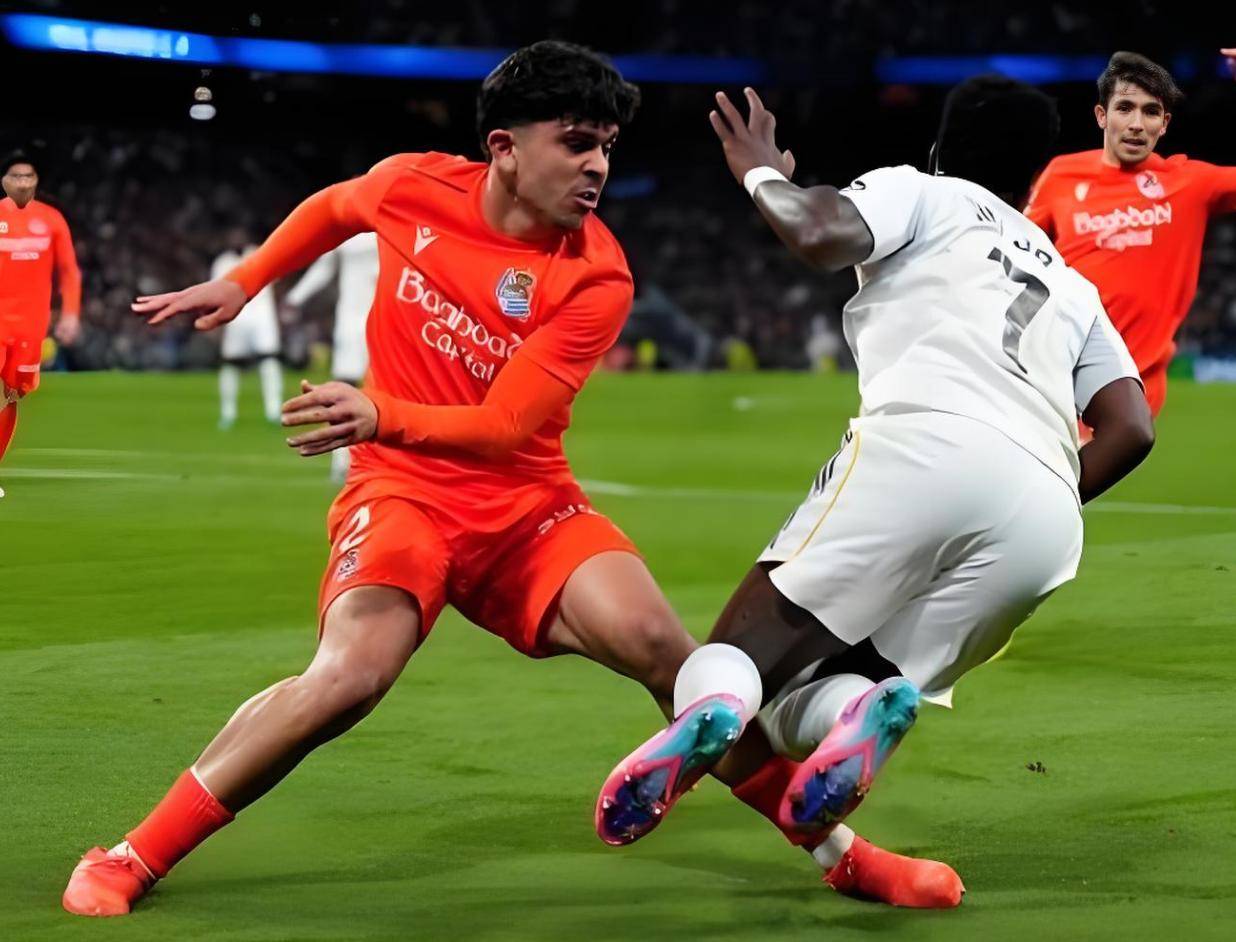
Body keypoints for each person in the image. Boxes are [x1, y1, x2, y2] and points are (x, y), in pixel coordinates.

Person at [60, 40, 770, 918]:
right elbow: (333, 208)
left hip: (527, 504)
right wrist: (246, 281)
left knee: (667, 650)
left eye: (607, 147)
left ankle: (844, 852)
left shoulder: (597, 273)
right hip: (401, 492)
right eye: (576, 142)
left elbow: (505, 427)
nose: (597, 166)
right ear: (504, 147)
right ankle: (132, 856)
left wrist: (379, 411)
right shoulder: (412, 186)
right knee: (349, 676)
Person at [598, 76, 1156, 908]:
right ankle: (863, 710)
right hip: (1044, 517)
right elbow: (1132, 426)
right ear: (1034, 179)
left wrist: (759, 171)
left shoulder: (921, 191)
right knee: (839, 689)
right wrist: (1037, 485)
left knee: (735, 662)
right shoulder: (1072, 284)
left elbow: (818, 234)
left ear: (939, 148)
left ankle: (711, 705)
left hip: (926, 443)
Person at [1024, 50, 1236, 415]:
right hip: (1053, 379)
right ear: (1101, 116)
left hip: (1130, 395)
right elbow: (1017, 250)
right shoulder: (1061, 174)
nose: (1137, 123)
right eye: (1124, 108)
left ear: (1164, 124)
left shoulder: (1190, 184)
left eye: (1150, 112)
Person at [0, 151, 81, 498]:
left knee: (12, 396)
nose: (22, 182)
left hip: (30, 328)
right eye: (15, 176)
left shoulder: (51, 220)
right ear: (4, 181)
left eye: (28, 176)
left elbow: (69, 272)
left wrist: (71, 314)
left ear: (35, 181)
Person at [283, 231, 380, 479]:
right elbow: (323, 268)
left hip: (385, 320)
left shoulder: (394, 226)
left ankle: (380, 462)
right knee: (343, 391)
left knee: (383, 391)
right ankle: (341, 460)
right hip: (350, 321)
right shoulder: (347, 229)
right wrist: (296, 297)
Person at [212, 228, 284, 428]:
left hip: (262, 317)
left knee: (270, 360)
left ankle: (273, 410)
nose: (236, 239)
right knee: (230, 364)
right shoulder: (222, 262)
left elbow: (276, 281)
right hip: (236, 319)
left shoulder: (260, 253)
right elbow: (215, 293)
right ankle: (228, 413)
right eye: (232, 236)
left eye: (240, 235)